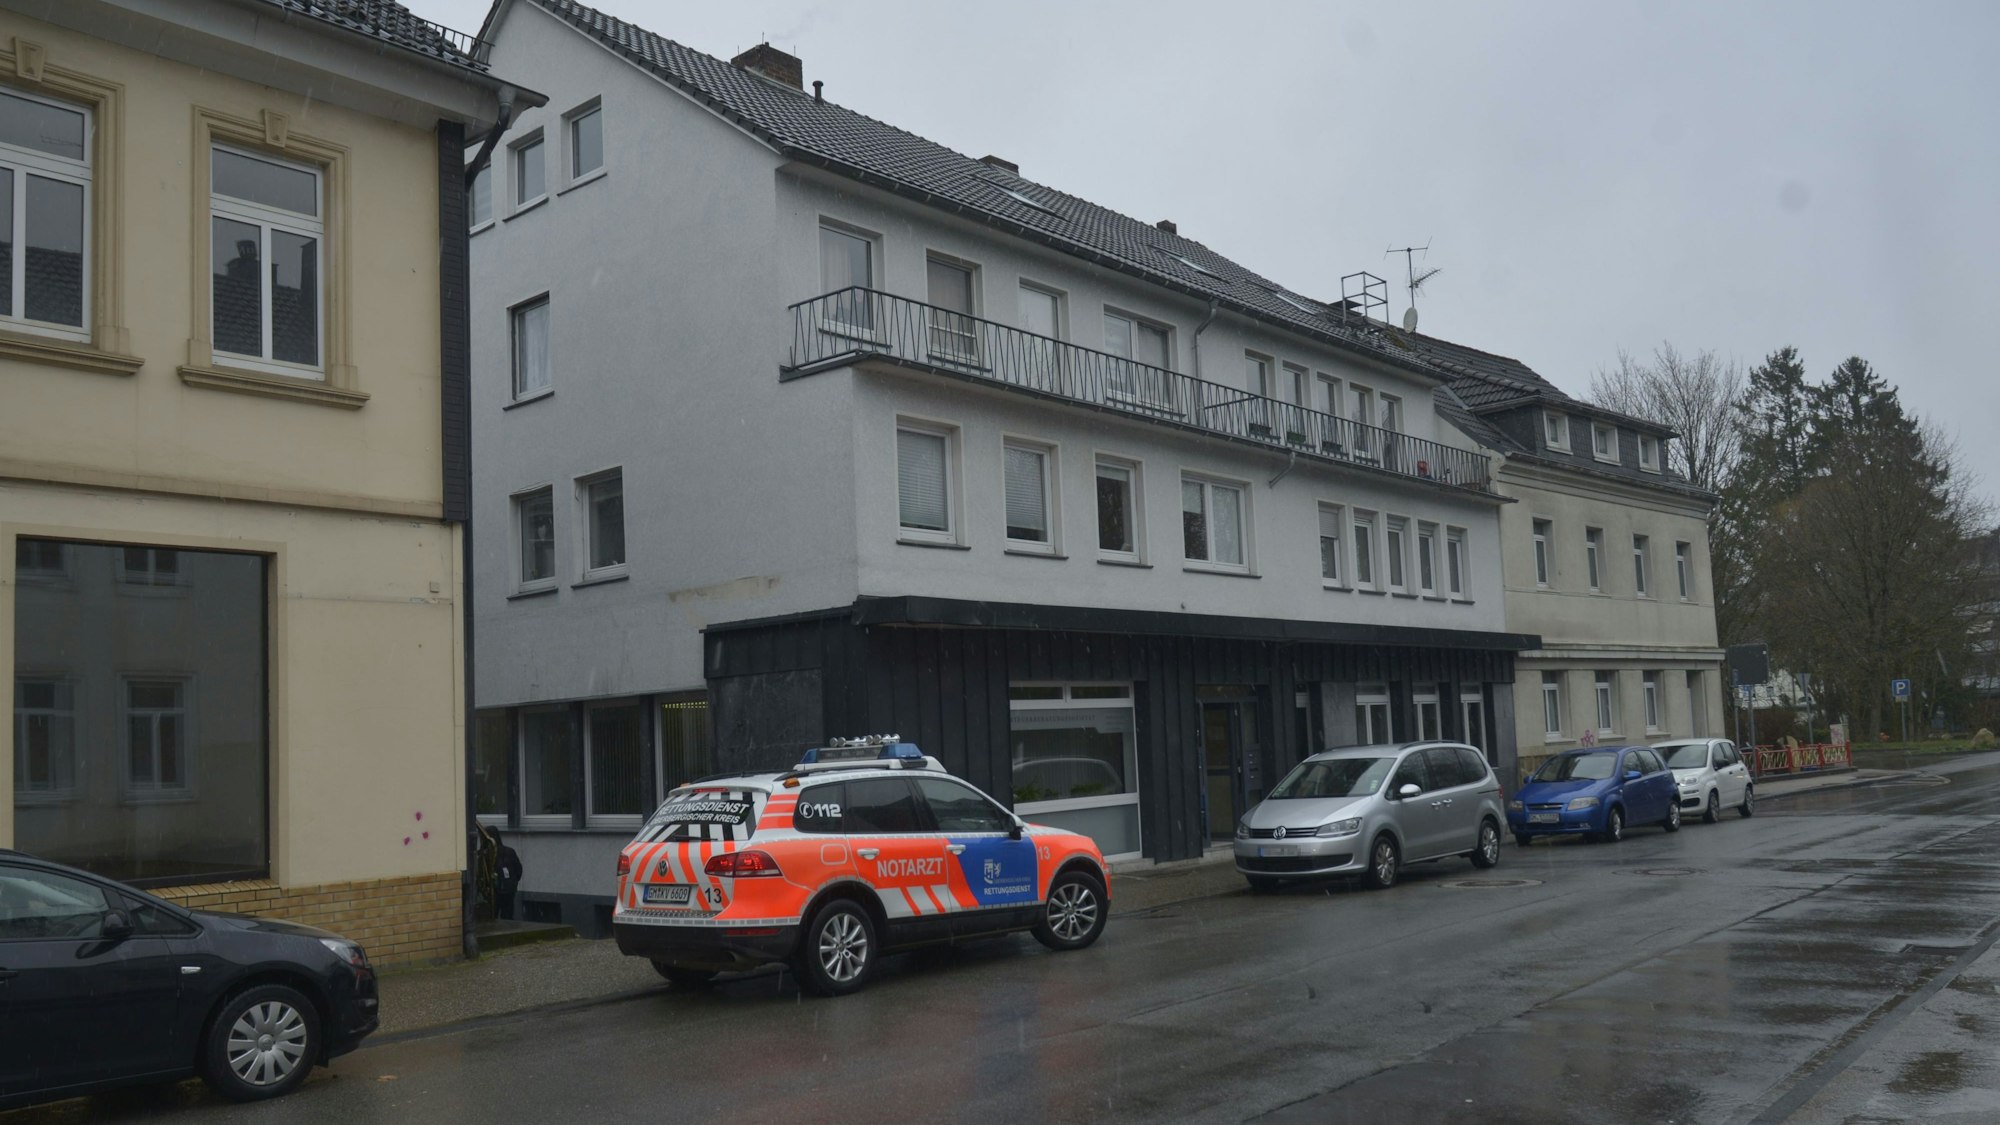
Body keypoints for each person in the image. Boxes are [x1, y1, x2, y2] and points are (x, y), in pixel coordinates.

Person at [492, 829, 523, 921]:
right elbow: (518, 869)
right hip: (509, 888)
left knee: (492, 915)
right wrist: (513, 882)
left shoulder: (488, 853)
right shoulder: (509, 851)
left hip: (496, 890)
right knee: (507, 915)